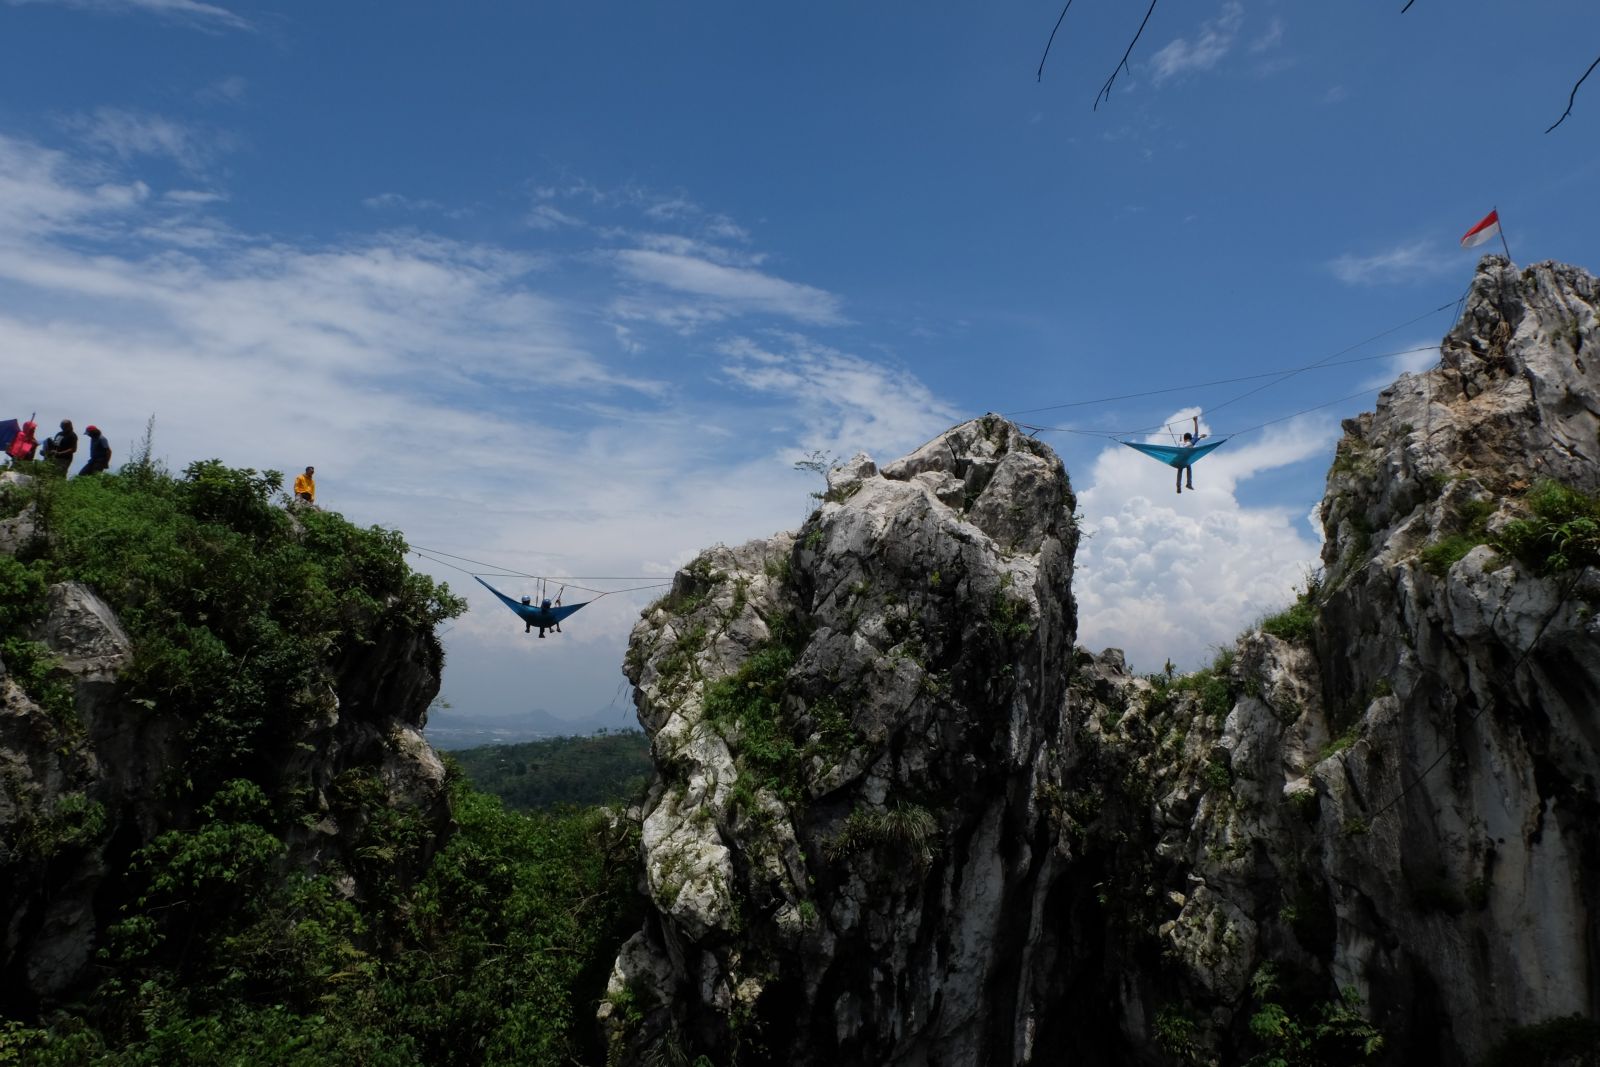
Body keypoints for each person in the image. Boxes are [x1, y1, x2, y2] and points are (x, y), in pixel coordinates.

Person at [1176, 415, 1206, 494]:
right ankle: (1189, 484)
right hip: (1185, 459)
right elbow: (1196, 433)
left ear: (1184, 438)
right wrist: (1195, 421)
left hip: (1178, 459)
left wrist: (1200, 437)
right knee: (1189, 468)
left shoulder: (1180, 443)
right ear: (1190, 438)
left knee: (1180, 470)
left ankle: (1178, 486)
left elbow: (1179, 446)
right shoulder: (1191, 442)